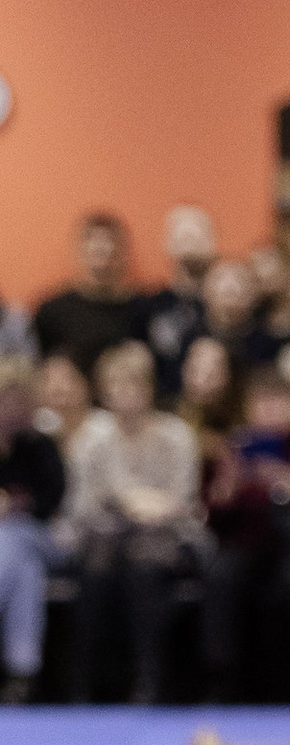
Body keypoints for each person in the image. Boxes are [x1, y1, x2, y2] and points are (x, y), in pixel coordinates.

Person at [65, 340, 204, 702]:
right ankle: (85, 679)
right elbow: (83, 505)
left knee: (145, 565)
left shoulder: (176, 435)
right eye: (117, 385)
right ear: (104, 390)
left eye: (134, 384)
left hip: (165, 534)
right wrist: (129, 502)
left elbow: (185, 501)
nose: (126, 394)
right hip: (104, 533)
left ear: (150, 388)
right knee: (96, 568)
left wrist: (150, 506)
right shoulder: (91, 438)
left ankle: (149, 676)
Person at [202, 366, 290, 702]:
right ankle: (220, 681)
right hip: (245, 545)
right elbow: (213, 516)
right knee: (221, 575)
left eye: (278, 403)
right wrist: (227, 487)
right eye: (262, 404)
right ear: (248, 409)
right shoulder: (235, 450)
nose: (270, 412)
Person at [0, 357, 68, 701]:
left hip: (41, 536)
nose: (12, 409)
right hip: (20, 554)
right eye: (6, 400)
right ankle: (22, 672)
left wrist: (13, 505)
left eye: (19, 400)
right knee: (26, 570)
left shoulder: (41, 445)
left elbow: (51, 500)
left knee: (14, 537)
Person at [33, 215, 146, 378]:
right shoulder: (51, 312)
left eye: (110, 250)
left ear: (123, 255)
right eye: (96, 251)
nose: (103, 260)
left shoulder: (142, 310)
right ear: (79, 252)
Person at [140, 205, 220, 407]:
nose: (189, 242)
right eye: (182, 236)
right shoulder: (151, 304)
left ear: (212, 243)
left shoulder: (227, 304)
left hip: (217, 412)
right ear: (167, 243)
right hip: (163, 409)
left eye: (196, 236)